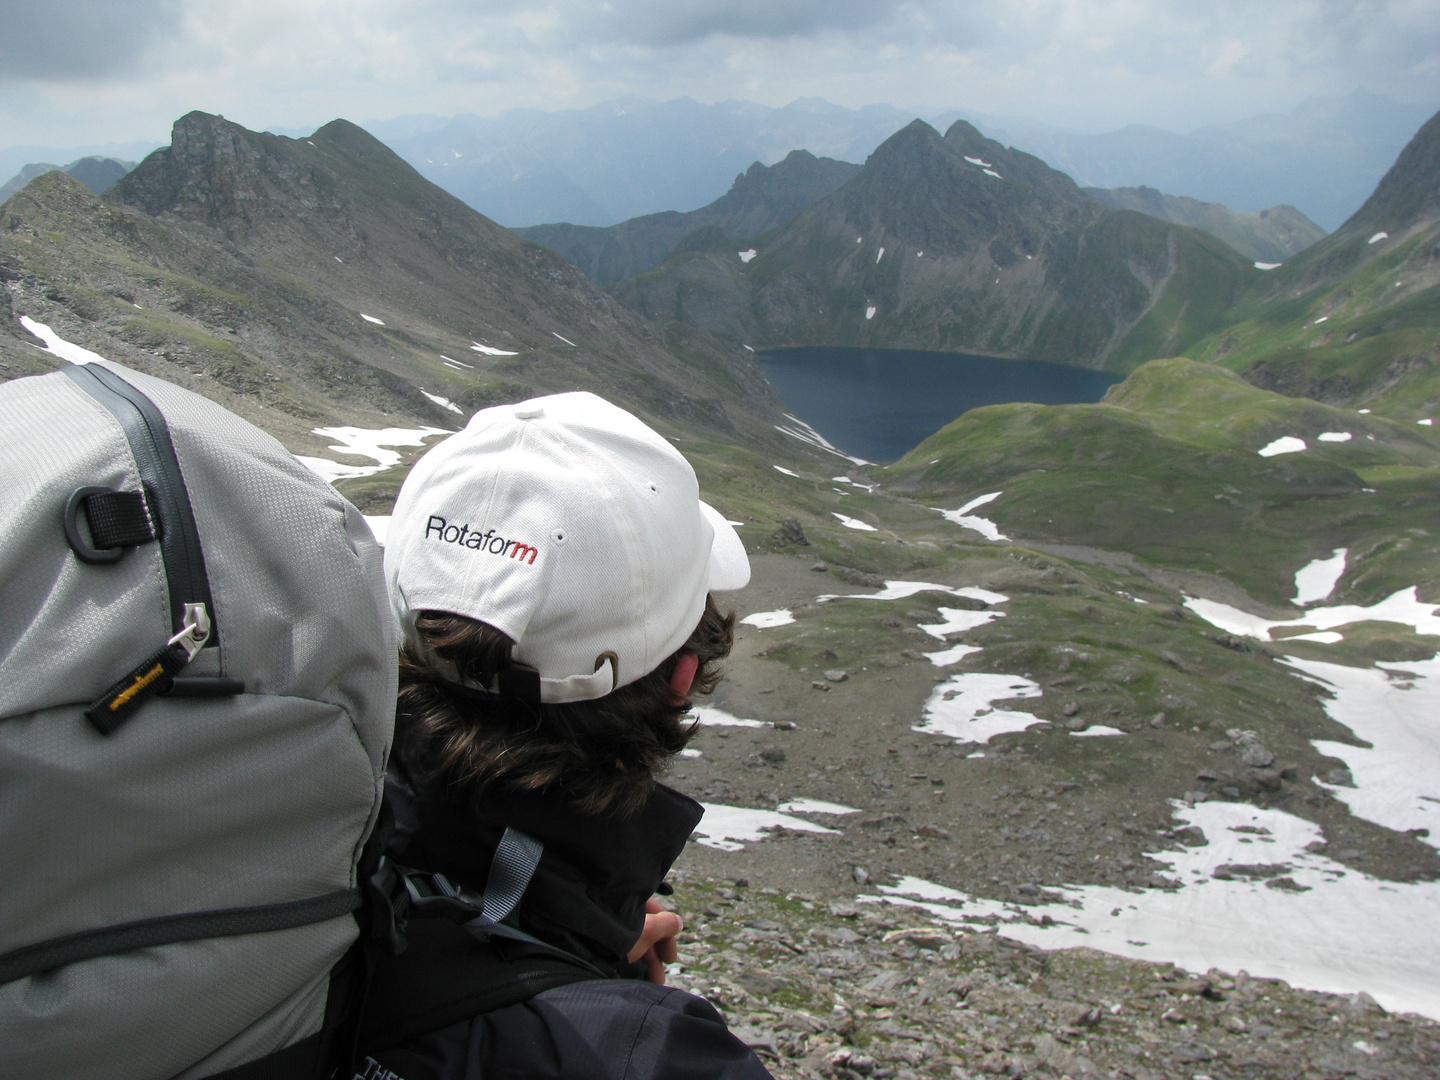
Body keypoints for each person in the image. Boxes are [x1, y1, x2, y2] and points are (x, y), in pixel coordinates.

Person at [356, 391, 773, 1080]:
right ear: (683, 676)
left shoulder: (260, 842)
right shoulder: (655, 1061)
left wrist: (570, 944)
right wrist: (602, 1005)